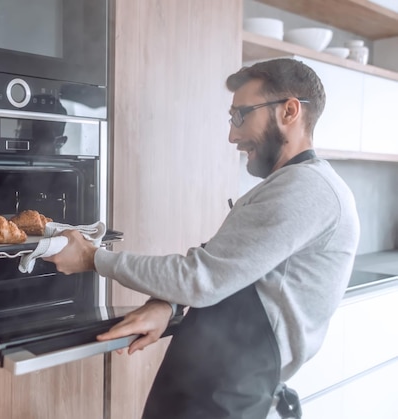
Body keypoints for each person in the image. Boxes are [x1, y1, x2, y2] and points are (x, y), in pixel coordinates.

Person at [44, 58, 360, 419]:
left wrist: (93, 258)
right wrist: (167, 305)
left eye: (241, 115)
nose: (232, 135)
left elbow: (201, 278)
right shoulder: (291, 187)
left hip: (226, 397)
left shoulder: (306, 189)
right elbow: (223, 264)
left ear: (289, 111)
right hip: (207, 385)